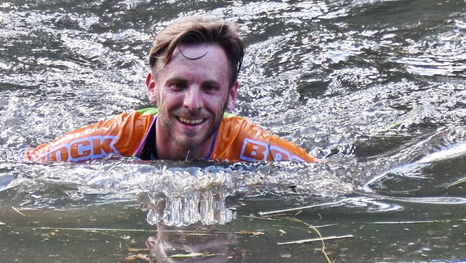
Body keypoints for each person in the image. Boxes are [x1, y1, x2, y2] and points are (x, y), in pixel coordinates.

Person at [24, 16, 314, 164]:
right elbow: (24, 165)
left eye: (210, 88)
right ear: (153, 88)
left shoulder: (254, 147)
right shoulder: (113, 140)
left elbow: (328, 178)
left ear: (232, 95)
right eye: (178, 85)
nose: (193, 103)